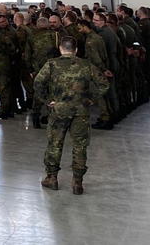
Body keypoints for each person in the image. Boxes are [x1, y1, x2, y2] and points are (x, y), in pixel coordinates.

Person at [33, 36, 108, 195]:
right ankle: (77, 182)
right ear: (76, 50)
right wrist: (90, 99)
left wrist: (47, 100)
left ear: (60, 48)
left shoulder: (52, 64)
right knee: (80, 145)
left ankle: (52, 178)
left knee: (55, 143)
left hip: (59, 110)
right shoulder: (86, 65)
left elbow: (38, 83)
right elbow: (103, 84)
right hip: (80, 111)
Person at [27, 16, 60, 129]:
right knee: (52, 92)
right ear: (47, 25)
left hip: (38, 70)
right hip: (52, 69)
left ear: (37, 25)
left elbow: (27, 55)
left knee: (38, 93)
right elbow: (59, 52)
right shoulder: (54, 35)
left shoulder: (32, 37)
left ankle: (35, 116)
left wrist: (30, 69)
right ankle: (52, 117)